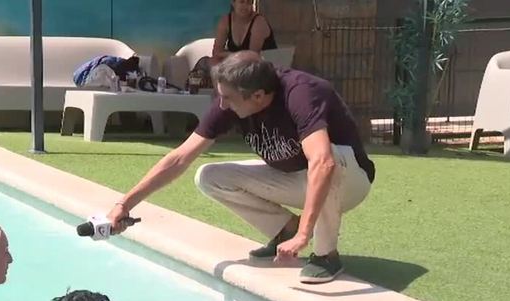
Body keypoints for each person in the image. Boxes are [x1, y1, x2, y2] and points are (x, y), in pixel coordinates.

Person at [107, 51, 375, 284]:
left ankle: (326, 255)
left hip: (350, 181)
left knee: (329, 158)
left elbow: (322, 162)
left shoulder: (301, 93)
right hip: (297, 177)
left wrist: (306, 234)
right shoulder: (233, 98)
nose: (222, 105)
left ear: (258, 95)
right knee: (210, 176)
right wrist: (125, 204)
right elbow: (180, 158)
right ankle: (283, 229)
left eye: (228, 98)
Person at [211, 0, 278, 66]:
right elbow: (216, 52)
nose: (245, 6)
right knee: (205, 62)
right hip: (237, 66)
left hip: (263, 68)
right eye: (242, 2)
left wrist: (227, 54)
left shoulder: (259, 23)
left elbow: (252, 58)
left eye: (249, 2)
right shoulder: (225, 21)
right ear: (233, 3)